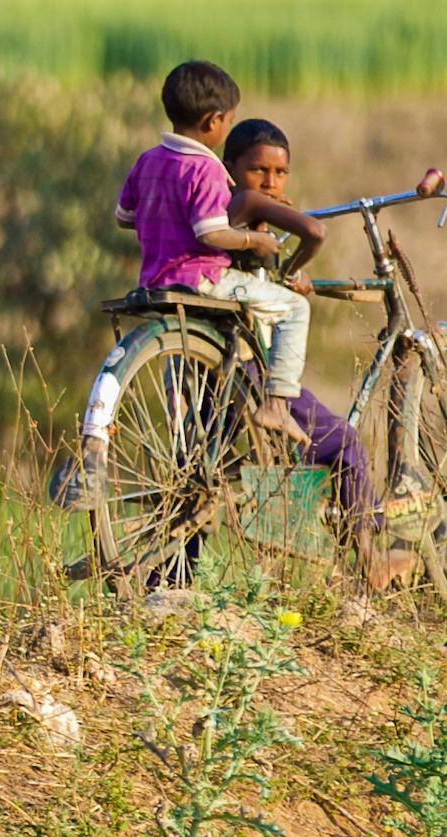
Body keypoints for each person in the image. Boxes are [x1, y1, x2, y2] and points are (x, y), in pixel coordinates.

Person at [221, 117, 423, 589]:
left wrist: (284, 275)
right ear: (231, 170)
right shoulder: (242, 213)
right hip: (251, 378)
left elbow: (252, 290)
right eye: (258, 172)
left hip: (225, 380)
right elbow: (312, 234)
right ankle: (371, 559)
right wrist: (291, 264)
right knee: (348, 444)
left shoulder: (234, 220)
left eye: (280, 173)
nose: (270, 182)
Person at [111, 60, 307, 440]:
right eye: (229, 121)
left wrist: (163, 218)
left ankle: (180, 420)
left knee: (183, 350)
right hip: (203, 279)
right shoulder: (207, 168)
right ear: (212, 122)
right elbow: (212, 234)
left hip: (155, 278)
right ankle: (277, 404)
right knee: (295, 307)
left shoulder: (148, 161)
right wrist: (256, 240)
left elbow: (124, 217)